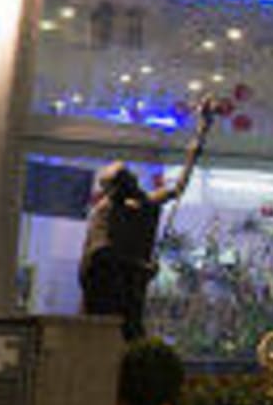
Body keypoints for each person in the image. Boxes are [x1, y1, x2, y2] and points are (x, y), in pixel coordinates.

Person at [79, 100, 215, 341]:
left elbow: (177, 188)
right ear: (116, 189)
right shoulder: (105, 211)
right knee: (107, 341)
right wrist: (139, 266)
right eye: (128, 181)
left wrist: (200, 134)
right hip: (105, 298)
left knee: (131, 336)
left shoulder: (143, 204)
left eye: (132, 179)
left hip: (131, 294)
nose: (135, 184)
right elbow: (101, 253)